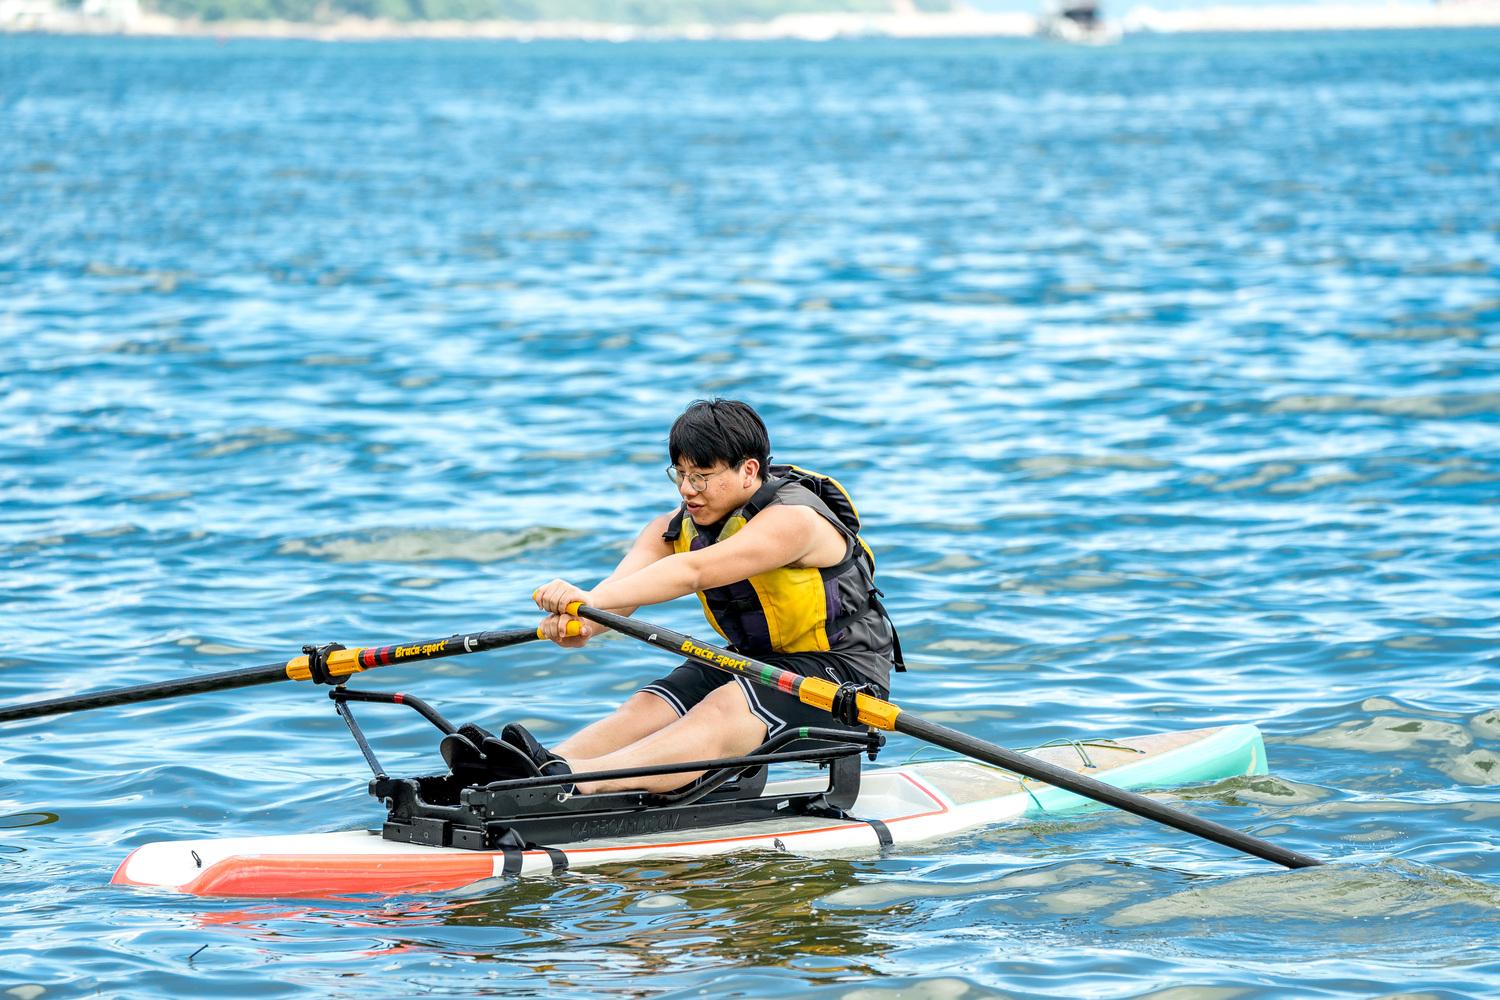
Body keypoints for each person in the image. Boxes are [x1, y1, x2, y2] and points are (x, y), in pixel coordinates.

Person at [457, 399, 902, 795]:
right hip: (755, 662)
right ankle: (534, 770)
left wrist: (586, 601)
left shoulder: (795, 521)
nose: (687, 489)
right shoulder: (670, 528)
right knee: (648, 705)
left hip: (842, 677)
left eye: (702, 477)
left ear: (749, 471)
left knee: (725, 705)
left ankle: (578, 780)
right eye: (681, 475)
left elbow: (693, 572)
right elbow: (611, 600)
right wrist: (581, 619)